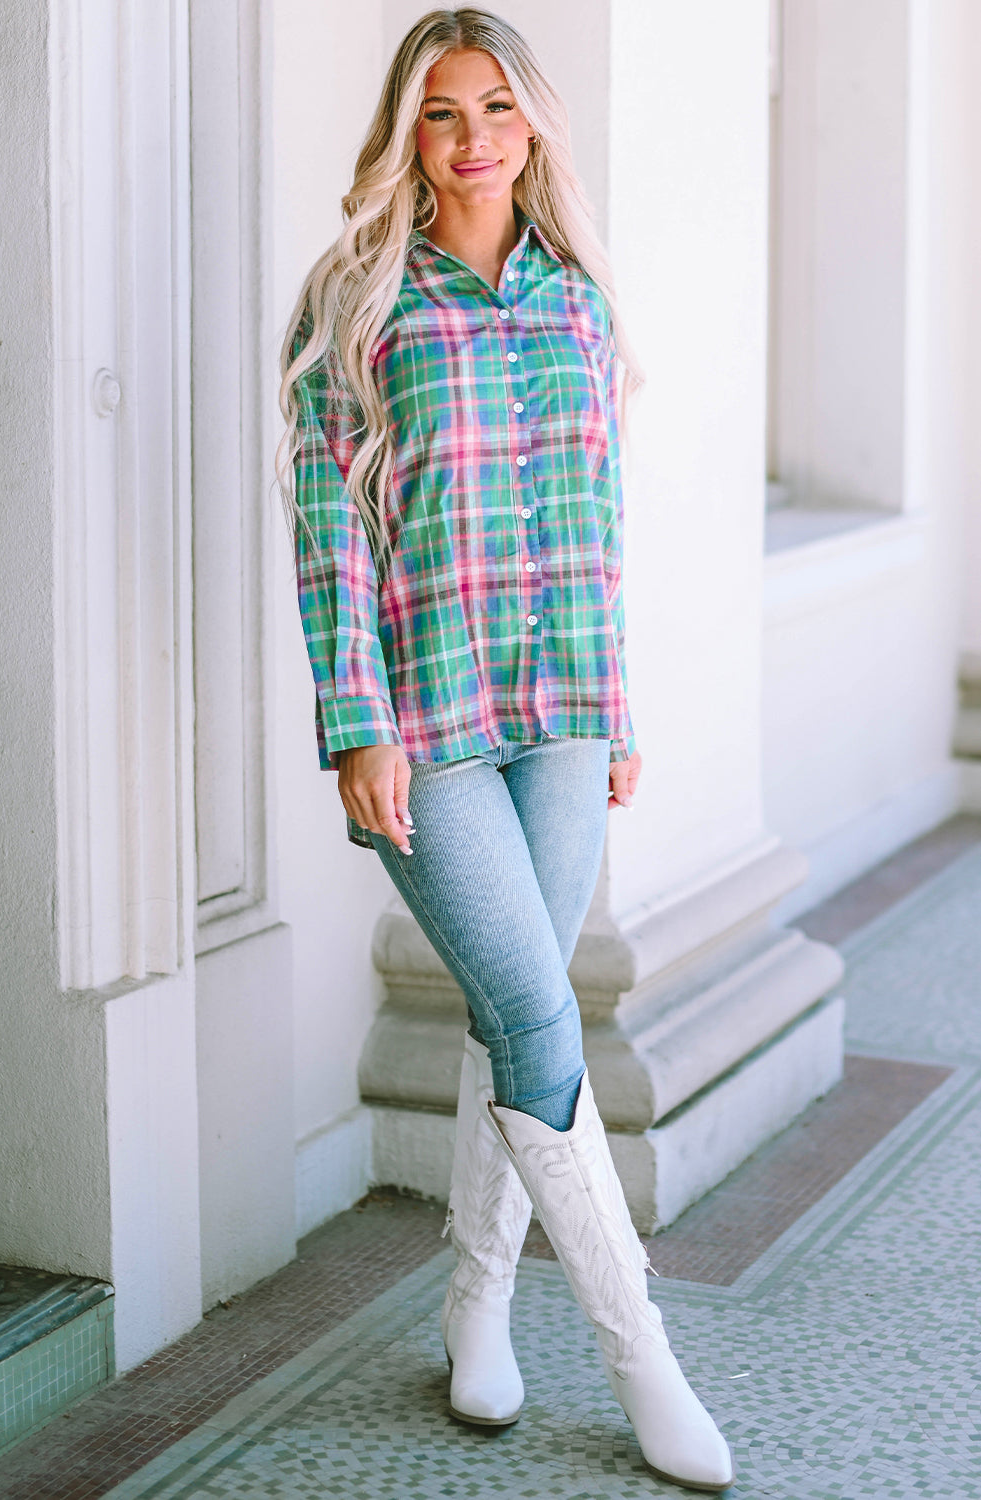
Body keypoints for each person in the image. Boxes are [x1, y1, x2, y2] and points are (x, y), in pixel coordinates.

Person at [277, 8, 733, 1492]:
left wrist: (618, 707)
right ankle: (638, 1354)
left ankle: (475, 1308)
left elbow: (599, 527)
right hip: (425, 722)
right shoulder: (353, 296)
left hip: (558, 709)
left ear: (533, 124)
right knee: (538, 1014)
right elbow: (328, 533)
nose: (472, 141)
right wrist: (355, 726)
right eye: (439, 114)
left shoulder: (579, 301)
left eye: (496, 110)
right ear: (401, 131)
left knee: (511, 1011)